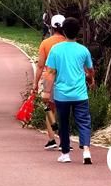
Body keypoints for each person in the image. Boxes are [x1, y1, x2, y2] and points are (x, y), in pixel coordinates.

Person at [41, 17, 95, 165]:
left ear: (63, 31)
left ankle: (65, 153)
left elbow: (50, 73)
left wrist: (46, 92)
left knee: (63, 123)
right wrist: (91, 80)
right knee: (84, 122)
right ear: (78, 32)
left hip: (62, 95)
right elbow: (90, 70)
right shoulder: (83, 50)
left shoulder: (56, 50)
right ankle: (86, 151)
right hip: (80, 94)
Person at [34, 14, 66, 150]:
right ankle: (64, 139)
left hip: (49, 80)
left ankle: (52, 138)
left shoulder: (45, 43)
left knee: (49, 108)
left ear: (51, 27)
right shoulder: (69, 42)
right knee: (63, 109)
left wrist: (35, 83)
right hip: (65, 79)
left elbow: (40, 65)